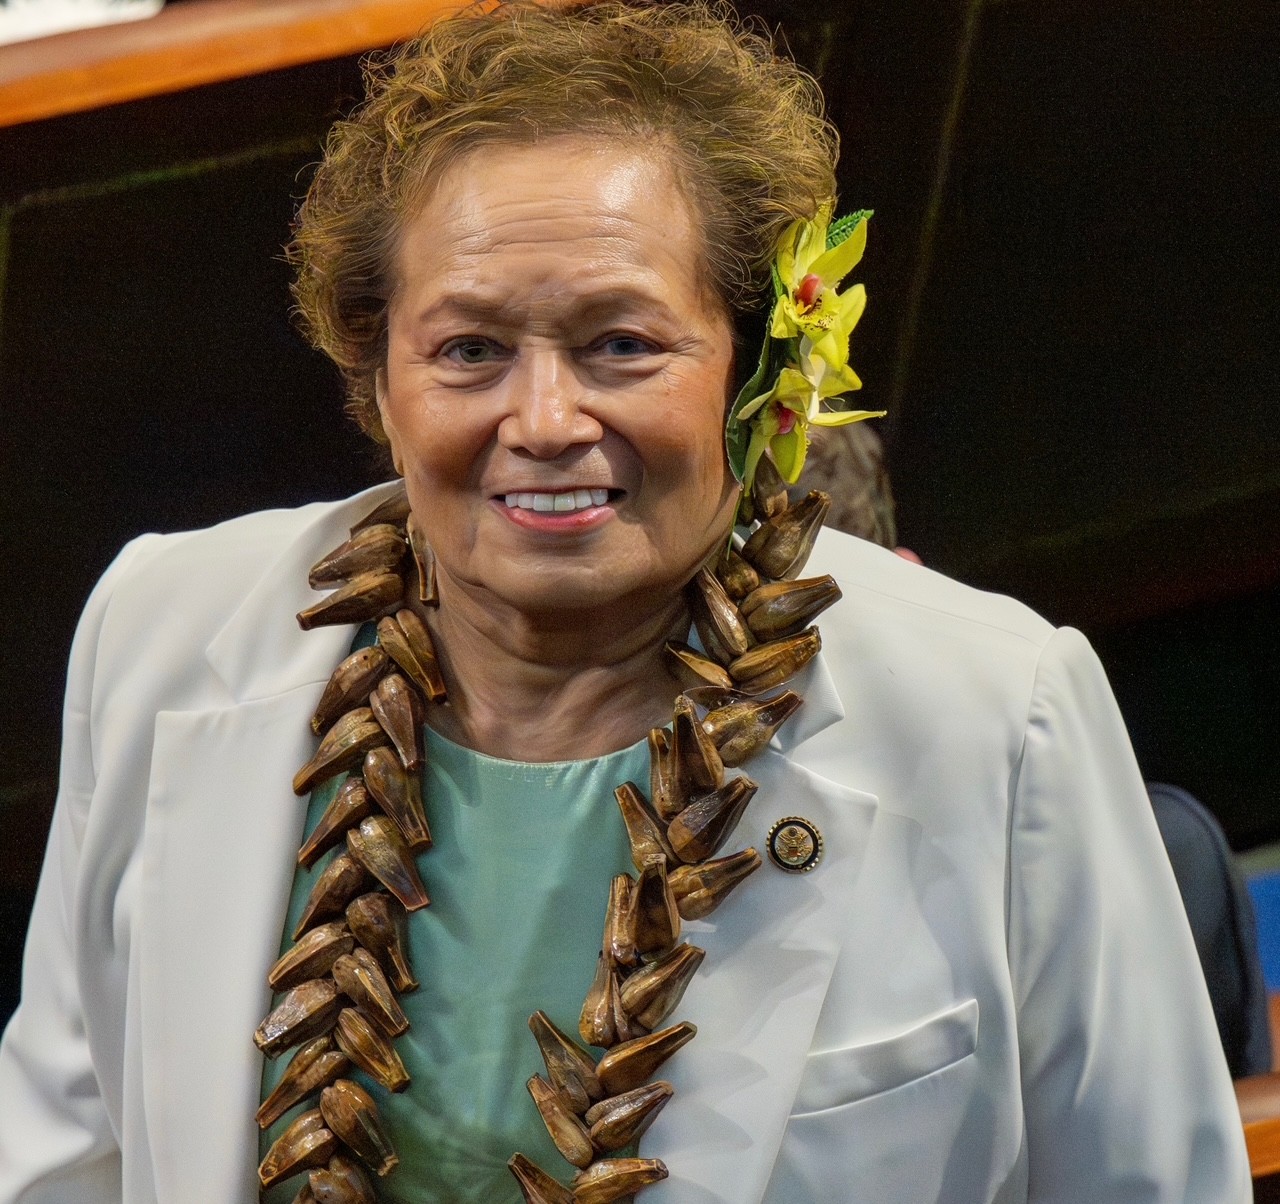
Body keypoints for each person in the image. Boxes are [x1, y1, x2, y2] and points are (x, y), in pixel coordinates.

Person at [0, 3, 1249, 1201]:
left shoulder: (999, 714)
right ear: (374, 374)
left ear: (756, 367)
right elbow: (61, 1158)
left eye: (621, 345)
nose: (544, 421)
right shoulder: (162, 630)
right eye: (469, 349)